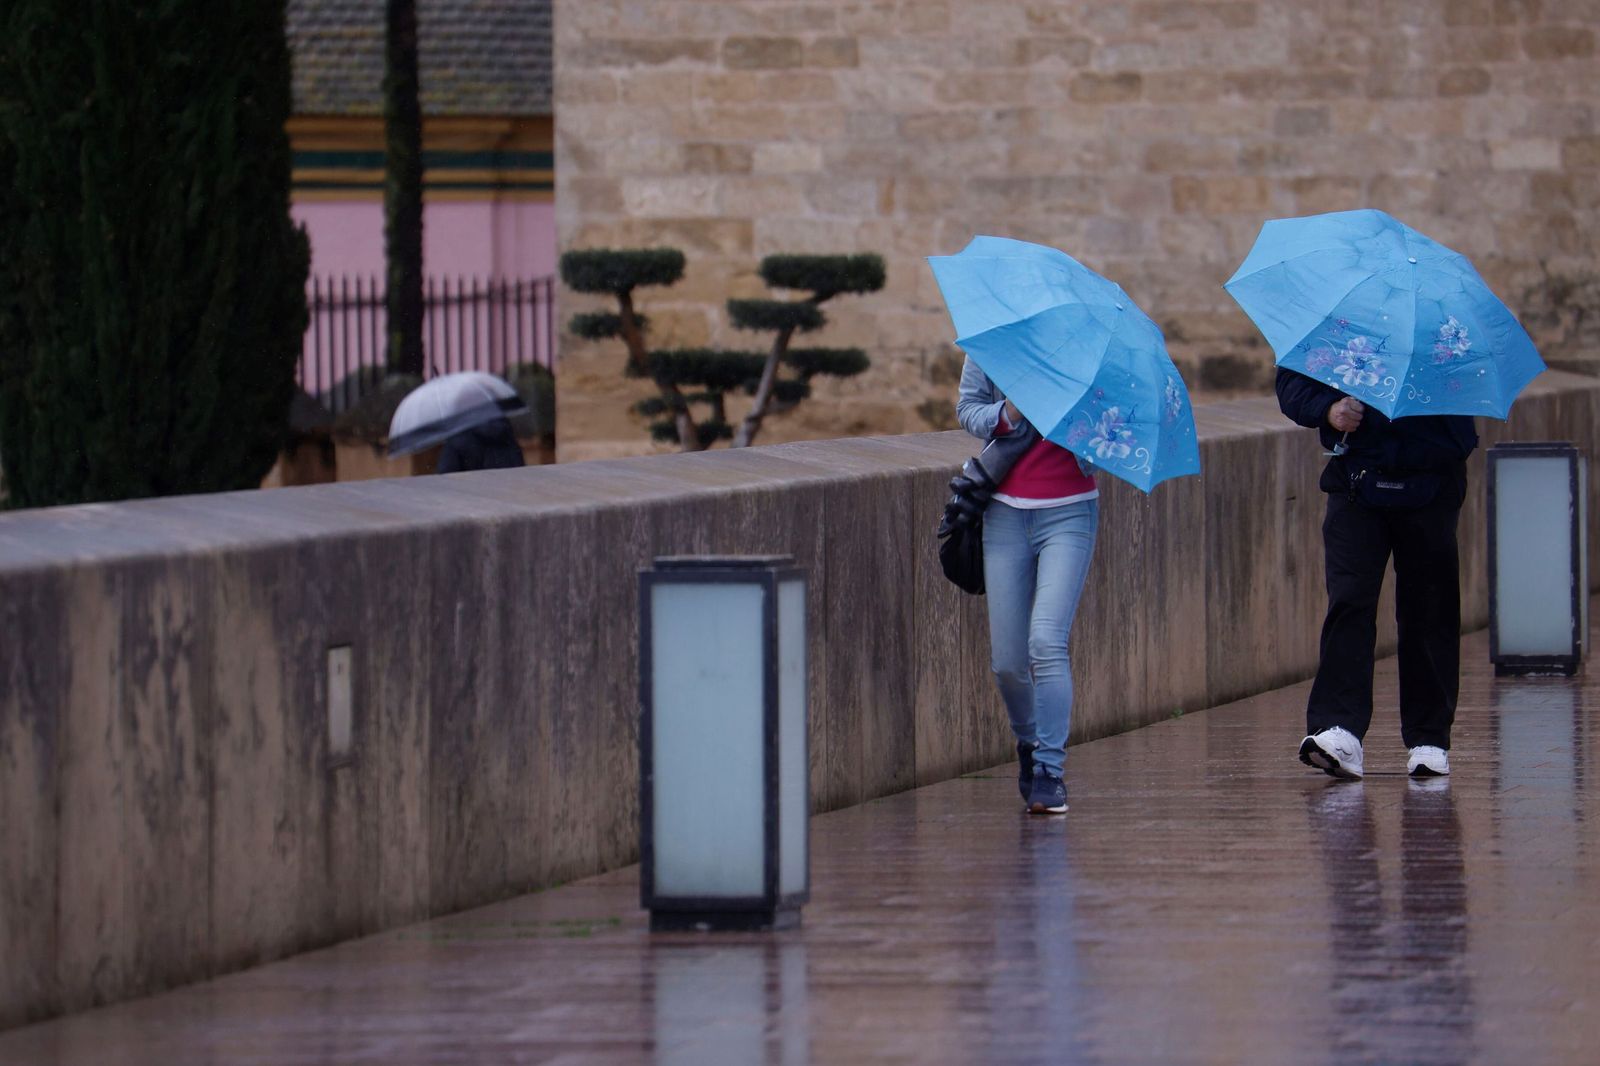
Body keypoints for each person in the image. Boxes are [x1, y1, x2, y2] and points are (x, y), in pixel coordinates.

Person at [1275, 368, 1477, 780]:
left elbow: (1472, 395)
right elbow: (1291, 384)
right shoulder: (1339, 322)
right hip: (1355, 480)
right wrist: (1328, 409)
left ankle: (1429, 738)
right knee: (1349, 600)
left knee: (1429, 610)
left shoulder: (1446, 328)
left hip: (1432, 479)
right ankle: (1339, 730)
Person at [957, 357, 1099, 814]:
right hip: (1003, 512)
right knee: (1007, 661)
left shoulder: (1092, 351)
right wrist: (1008, 413)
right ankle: (1029, 740)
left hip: (1070, 511)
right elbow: (967, 408)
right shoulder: (995, 342)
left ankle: (1050, 771)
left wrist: (1084, 418)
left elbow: (1113, 434)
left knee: (1046, 640)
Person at [436, 416, 526, 474]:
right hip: (507, 497)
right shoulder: (505, 433)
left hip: (471, 499)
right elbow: (519, 468)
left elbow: (445, 474)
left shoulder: (458, 438)